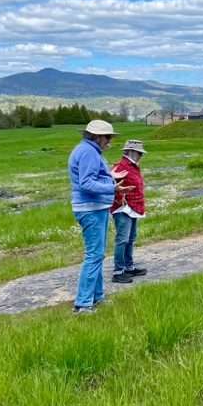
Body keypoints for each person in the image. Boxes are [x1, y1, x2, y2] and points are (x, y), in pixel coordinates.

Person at [68, 119, 130, 314]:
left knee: (98, 254)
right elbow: (86, 183)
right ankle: (83, 304)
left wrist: (109, 178)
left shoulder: (87, 151)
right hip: (91, 208)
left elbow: (92, 178)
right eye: (108, 137)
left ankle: (97, 297)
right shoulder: (88, 153)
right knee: (94, 255)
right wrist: (112, 186)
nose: (110, 141)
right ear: (98, 136)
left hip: (95, 207)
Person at [110, 139, 148, 283]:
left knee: (130, 239)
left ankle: (129, 267)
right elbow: (112, 183)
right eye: (139, 153)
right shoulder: (121, 167)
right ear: (131, 152)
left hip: (133, 207)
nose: (140, 155)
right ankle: (118, 271)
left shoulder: (133, 166)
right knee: (122, 239)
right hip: (123, 208)